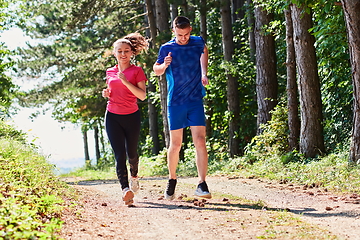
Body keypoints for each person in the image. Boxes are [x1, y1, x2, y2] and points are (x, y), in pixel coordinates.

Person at [153, 16, 211, 200]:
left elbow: (204, 51)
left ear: (190, 30)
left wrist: (204, 73)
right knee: (175, 144)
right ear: (173, 31)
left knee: (200, 141)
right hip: (176, 101)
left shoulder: (197, 42)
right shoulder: (167, 48)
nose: (184, 38)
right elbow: (156, 70)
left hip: (195, 100)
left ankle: (202, 184)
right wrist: (164, 65)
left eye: (186, 34)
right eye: (180, 35)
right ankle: (172, 180)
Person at [102, 33, 148, 205]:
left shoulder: (137, 71)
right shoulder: (110, 71)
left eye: (126, 51)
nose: (123, 54)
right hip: (112, 116)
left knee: (132, 153)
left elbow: (142, 96)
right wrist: (106, 93)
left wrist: (126, 82)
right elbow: (111, 90)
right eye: (119, 51)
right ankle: (125, 190)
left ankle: (134, 175)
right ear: (115, 53)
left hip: (131, 116)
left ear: (131, 53)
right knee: (119, 154)